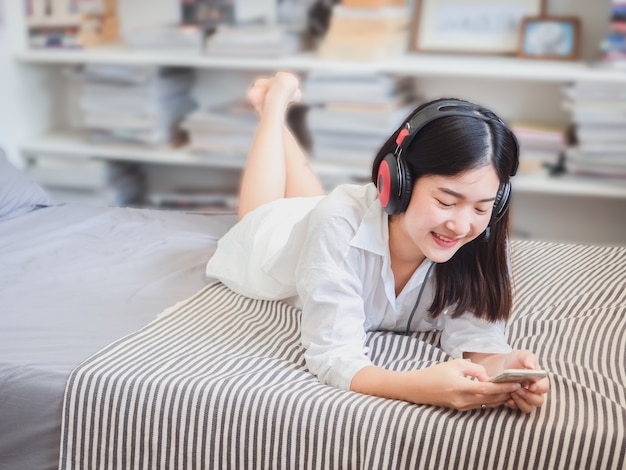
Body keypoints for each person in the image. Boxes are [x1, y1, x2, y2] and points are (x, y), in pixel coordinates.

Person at [206, 71, 550, 413]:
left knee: (318, 204)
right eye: (446, 201)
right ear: (397, 182)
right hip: (275, 240)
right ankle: (274, 103)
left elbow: (477, 337)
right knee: (265, 212)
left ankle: (275, 105)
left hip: (325, 218)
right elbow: (333, 356)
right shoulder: (336, 221)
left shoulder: (481, 233)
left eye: (481, 206)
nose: (460, 225)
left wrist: (503, 366)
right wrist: (418, 387)